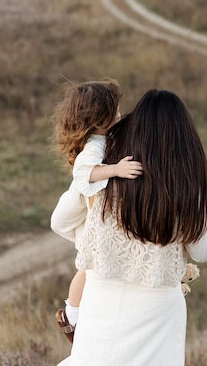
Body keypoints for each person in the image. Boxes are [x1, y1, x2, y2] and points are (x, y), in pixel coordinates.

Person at [52, 89, 207, 366]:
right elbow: (202, 252)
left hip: (100, 295)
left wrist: (101, 243)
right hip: (158, 306)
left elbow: (60, 222)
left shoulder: (107, 172)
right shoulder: (190, 188)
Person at [51, 79, 143, 337]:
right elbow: (84, 172)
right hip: (82, 217)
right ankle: (72, 313)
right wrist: (116, 170)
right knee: (86, 268)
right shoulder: (93, 147)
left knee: (88, 265)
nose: (120, 115)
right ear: (102, 119)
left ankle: (76, 312)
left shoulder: (103, 141)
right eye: (116, 111)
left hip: (89, 218)